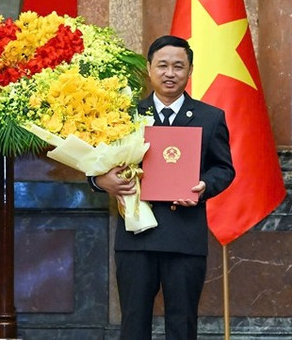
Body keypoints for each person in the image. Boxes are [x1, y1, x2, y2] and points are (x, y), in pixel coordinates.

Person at [89, 35, 235, 340]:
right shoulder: (124, 116)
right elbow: (94, 164)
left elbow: (224, 169)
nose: (170, 73)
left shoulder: (210, 118)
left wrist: (204, 186)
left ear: (190, 70)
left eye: (178, 66)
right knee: (133, 323)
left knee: (182, 325)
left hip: (185, 238)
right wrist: (102, 181)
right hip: (136, 239)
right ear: (149, 68)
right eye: (163, 65)